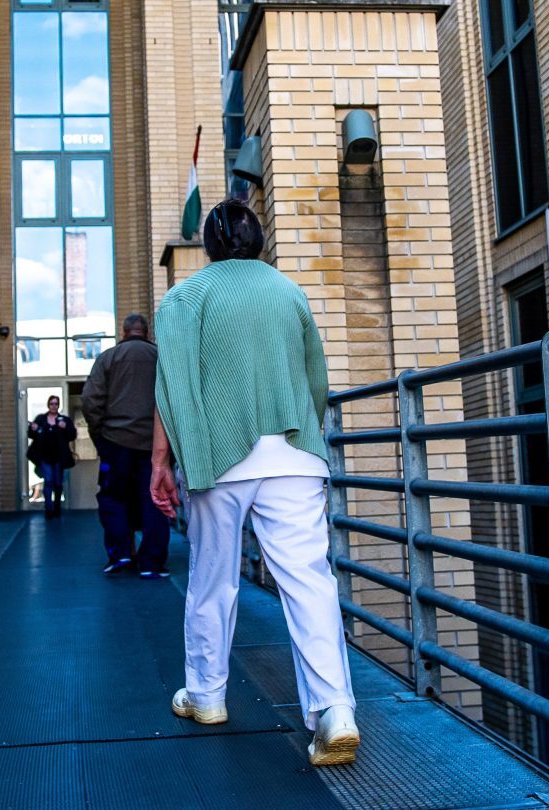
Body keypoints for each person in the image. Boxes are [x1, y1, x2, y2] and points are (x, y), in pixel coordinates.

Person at [150, 199, 359, 766]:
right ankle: (335, 711)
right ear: (259, 241)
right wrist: (304, 434)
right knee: (309, 582)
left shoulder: (186, 298)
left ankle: (206, 696)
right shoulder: (290, 293)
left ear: (210, 246)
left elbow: (172, 388)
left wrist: (163, 461)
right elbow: (316, 380)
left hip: (219, 459)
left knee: (212, 579)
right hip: (294, 455)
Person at [80, 313, 171, 578]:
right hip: (154, 443)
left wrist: (100, 436)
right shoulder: (161, 358)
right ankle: (152, 563)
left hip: (116, 442)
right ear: (147, 332)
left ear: (124, 331)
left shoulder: (108, 358)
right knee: (154, 499)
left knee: (113, 498)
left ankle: (120, 554)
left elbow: (90, 400)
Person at [26, 395, 76, 518]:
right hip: (44, 456)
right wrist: (33, 429)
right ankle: (49, 509)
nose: (54, 406)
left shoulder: (64, 420)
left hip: (59, 457)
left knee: (58, 483)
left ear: (58, 405)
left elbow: (72, 435)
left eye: (56, 404)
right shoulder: (41, 419)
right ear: (48, 405)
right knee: (48, 481)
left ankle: (57, 506)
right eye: (51, 403)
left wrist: (65, 427)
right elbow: (31, 434)